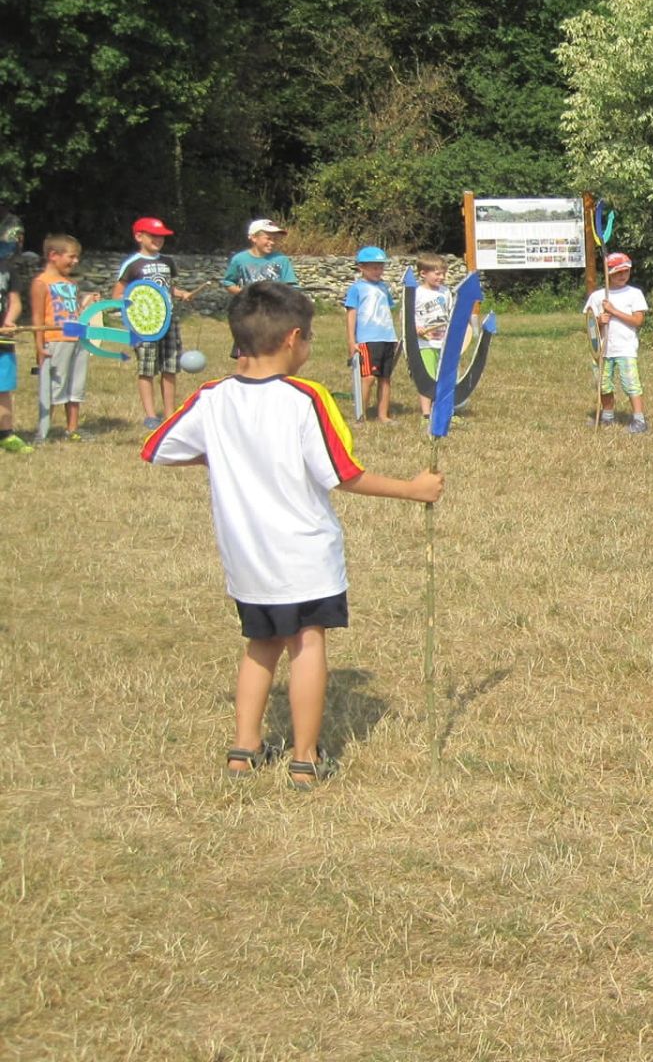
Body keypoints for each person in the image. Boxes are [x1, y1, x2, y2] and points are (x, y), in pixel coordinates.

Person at [141, 280, 443, 789]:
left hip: (246, 559)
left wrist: (227, 453)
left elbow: (158, 448)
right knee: (307, 643)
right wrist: (414, 489)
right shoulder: (307, 398)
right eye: (310, 339)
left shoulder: (212, 398)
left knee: (260, 644)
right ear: (293, 339)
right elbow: (343, 473)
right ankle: (305, 757)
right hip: (303, 555)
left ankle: (244, 749)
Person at [114, 216, 196, 428]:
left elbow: (166, 288)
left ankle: (169, 414)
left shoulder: (168, 262)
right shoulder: (132, 264)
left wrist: (181, 293)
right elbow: (119, 294)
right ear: (139, 236)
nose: (159, 240)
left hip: (168, 320)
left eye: (162, 237)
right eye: (154, 236)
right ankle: (151, 415)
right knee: (147, 368)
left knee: (170, 367)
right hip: (145, 325)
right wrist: (132, 314)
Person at [30, 234, 92, 444]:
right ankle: (43, 431)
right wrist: (39, 345)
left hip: (77, 340)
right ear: (53, 255)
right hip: (55, 340)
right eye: (71, 257)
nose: (75, 262)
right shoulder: (41, 283)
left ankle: (72, 429)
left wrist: (86, 304)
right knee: (53, 386)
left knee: (75, 386)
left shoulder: (71, 284)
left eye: (77, 257)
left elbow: (74, 312)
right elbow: (37, 318)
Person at [583, 252, 649, 431]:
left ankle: (639, 420)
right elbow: (589, 326)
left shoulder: (634, 294)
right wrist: (599, 321)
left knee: (631, 384)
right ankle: (607, 416)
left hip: (625, 348)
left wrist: (614, 311)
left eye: (626, 271)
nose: (622, 275)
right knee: (603, 385)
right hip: (603, 350)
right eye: (618, 272)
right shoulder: (598, 297)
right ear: (608, 273)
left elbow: (637, 321)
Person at [224, 219, 297, 364]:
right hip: (248, 316)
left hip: (275, 317)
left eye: (274, 239)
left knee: (273, 356)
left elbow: (290, 286)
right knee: (246, 358)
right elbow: (228, 282)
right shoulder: (240, 260)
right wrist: (244, 294)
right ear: (253, 238)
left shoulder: (281, 260)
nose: (272, 242)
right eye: (268, 238)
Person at [344, 246, 398, 422]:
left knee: (385, 378)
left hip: (387, 338)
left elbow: (388, 311)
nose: (378, 271)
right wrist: (352, 340)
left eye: (380, 267)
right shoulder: (357, 289)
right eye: (373, 267)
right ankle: (361, 415)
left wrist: (394, 336)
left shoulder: (384, 288)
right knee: (368, 378)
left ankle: (383, 415)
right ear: (361, 268)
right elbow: (351, 315)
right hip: (368, 340)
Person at [0, 218, 32, 452]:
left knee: (3, 388)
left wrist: (11, 319)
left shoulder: (7, 269)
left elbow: (15, 301)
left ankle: (6, 434)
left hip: (3, 340)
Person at [411, 253, 453, 419]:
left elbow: (450, 314)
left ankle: (444, 411)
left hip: (443, 343)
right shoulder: (417, 293)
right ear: (423, 273)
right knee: (427, 377)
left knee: (446, 377)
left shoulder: (445, 292)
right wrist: (416, 328)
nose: (441, 277)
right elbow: (406, 317)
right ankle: (426, 414)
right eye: (437, 273)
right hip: (425, 344)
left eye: (443, 273)